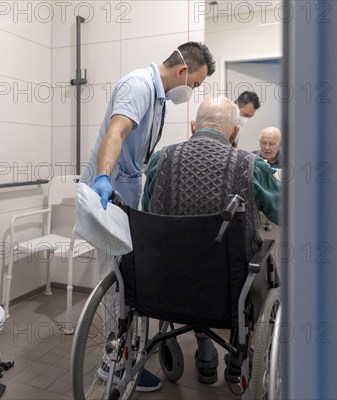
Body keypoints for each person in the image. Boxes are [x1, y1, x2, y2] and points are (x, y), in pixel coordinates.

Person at [81, 41, 216, 392]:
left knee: (127, 277)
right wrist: (103, 178)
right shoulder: (138, 85)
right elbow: (117, 131)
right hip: (108, 192)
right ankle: (114, 365)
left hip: (126, 193)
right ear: (183, 71)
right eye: (197, 84)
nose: (193, 91)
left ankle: (125, 353)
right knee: (117, 282)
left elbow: (143, 153)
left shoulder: (158, 99)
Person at [141, 96, 280, 385]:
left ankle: (205, 347)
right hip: (230, 287)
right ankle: (239, 352)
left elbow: (147, 213)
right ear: (233, 133)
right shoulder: (251, 164)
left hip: (166, 282)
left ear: (194, 126)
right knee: (260, 260)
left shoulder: (160, 159)